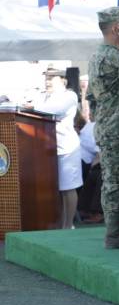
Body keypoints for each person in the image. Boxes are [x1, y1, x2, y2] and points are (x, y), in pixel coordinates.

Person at [86, 7, 119, 249]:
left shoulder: (98, 55)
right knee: (116, 182)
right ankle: (114, 233)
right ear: (116, 28)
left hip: (109, 126)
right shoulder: (113, 56)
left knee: (113, 180)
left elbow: (91, 98)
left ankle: (113, 231)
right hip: (118, 128)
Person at [32, 72, 82, 229]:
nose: (47, 81)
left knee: (68, 188)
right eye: (46, 78)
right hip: (47, 148)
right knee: (55, 189)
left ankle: (68, 224)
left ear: (63, 80)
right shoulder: (44, 96)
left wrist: (32, 106)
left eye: (51, 78)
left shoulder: (70, 95)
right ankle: (59, 223)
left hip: (67, 148)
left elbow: (55, 110)